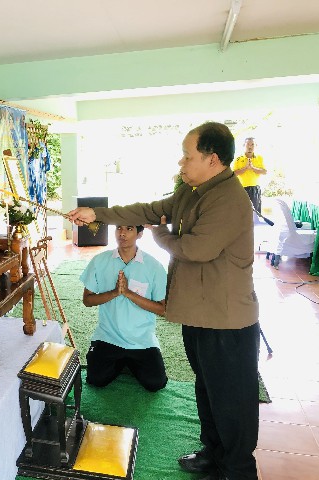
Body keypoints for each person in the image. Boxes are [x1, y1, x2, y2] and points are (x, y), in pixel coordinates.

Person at [68, 122, 259, 480]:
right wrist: (98, 214)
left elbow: (196, 249)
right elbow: (149, 209)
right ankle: (213, 453)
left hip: (227, 321)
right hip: (199, 314)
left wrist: (159, 235)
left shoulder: (229, 198)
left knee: (232, 400)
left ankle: (236, 470)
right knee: (207, 388)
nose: (181, 163)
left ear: (213, 159)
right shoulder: (192, 191)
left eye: (188, 157)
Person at [80, 224, 167, 392]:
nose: (122, 233)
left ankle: (127, 362)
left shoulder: (154, 266)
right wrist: (115, 292)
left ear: (140, 234)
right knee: (95, 379)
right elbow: (87, 300)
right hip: (108, 336)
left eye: (129, 229)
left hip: (142, 340)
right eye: (119, 228)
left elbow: (162, 309)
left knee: (156, 383)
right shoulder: (99, 261)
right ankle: (124, 362)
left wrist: (128, 293)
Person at [232, 137, 267, 214]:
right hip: (242, 189)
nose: (250, 147)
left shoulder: (259, 158)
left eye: (252, 144)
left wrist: (252, 168)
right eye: (248, 144)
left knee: (255, 213)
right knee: (242, 213)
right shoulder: (238, 159)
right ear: (244, 145)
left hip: (255, 188)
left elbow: (264, 172)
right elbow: (234, 174)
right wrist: (245, 168)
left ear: (256, 146)